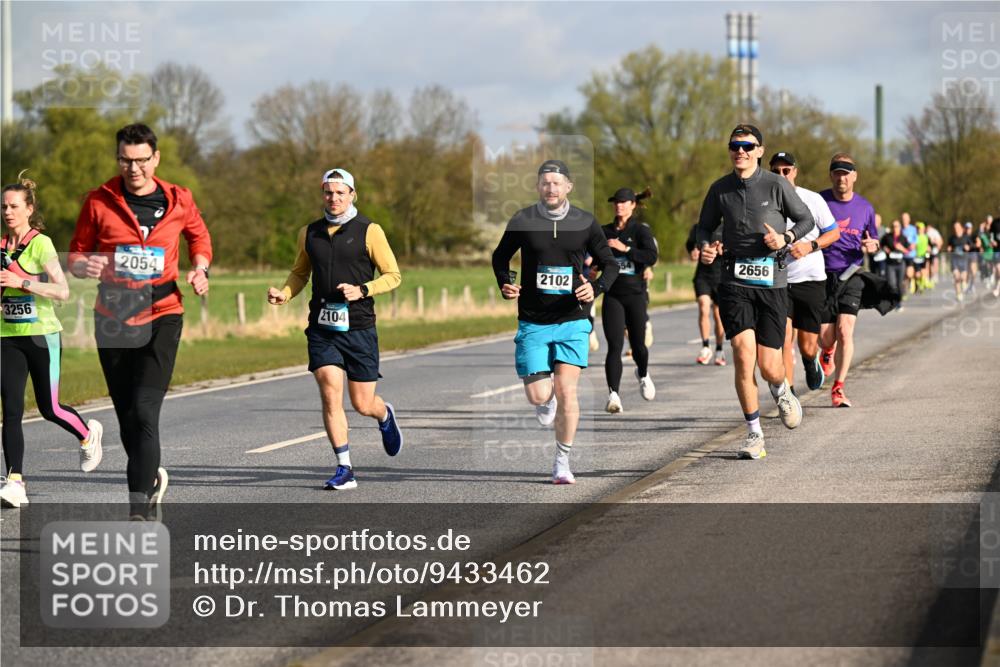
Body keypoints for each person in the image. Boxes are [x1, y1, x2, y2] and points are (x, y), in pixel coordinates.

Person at [69, 123, 213, 520]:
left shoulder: (179, 199)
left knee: (146, 409)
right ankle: (148, 476)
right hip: (113, 317)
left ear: (156, 158)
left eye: (141, 160)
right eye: (125, 160)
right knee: (127, 416)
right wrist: (85, 264)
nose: (133, 169)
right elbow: (76, 255)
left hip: (163, 313)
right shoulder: (99, 201)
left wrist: (201, 269)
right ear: (118, 159)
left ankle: (138, 512)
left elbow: (199, 239)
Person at [267, 168, 402, 491]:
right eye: (329, 192)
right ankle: (345, 467)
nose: (334, 198)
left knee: (362, 403)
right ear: (322, 194)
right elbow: (300, 273)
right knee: (329, 389)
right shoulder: (309, 233)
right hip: (322, 326)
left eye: (341, 192)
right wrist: (285, 294)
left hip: (359, 327)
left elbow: (393, 275)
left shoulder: (370, 230)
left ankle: (384, 415)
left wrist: (363, 290)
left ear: (352, 194)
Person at [492, 159, 619, 483]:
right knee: (539, 395)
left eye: (557, 182)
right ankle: (543, 400)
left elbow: (609, 264)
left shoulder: (584, 222)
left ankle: (562, 461)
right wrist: (506, 281)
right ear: (538, 187)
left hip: (572, 319)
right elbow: (500, 255)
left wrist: (596, 287)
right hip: (533, 319)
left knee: (567, 391)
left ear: (568, 187)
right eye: (545, 182)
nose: (551, 187)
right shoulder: (523, 219)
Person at [696, 125, 813, 460]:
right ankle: (754, 434)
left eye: (748, 146)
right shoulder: (720, 189)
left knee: (768, 366)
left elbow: (804, 220)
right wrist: (706, 246)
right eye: (735, 145)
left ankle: (781, 389)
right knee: (742, 354)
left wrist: (786, 239)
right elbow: (704, 227)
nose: (741, 151)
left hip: (772, 282)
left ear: (760, 150)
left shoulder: (776, 185)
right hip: (734, 280)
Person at [1, 175, 104, 508]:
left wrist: (23, 281)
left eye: (14, 206)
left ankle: (88, 435)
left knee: (50, 408)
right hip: (7, 336)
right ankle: (15, 481)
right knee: (11, 410)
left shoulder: (41, 244)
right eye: (3, 206)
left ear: (29, 208)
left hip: (42, 335)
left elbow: (62, 291)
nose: (8, 211)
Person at [768, 152, 840, 395]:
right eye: (776, 171)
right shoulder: (765, 202)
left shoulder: (812, 199)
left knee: (807, 346)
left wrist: (810, 246)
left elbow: (834, 233)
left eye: (786, 170)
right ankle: (788, 395)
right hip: (778, 281)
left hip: (810, 279)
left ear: (795, 172)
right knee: (783, 341)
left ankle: (811, 362)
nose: (781, 175)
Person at [817, 153, 881, 408]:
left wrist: (872, 245)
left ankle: (839, 388)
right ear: (831, 175)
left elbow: (874, 240)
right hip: (822, 274)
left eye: (846, 172)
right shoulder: (819, 201)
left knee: (845, 330)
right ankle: (828, 351)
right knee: (825, 338)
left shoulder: (865, 207)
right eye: (837, 172)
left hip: (852, 274)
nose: (841, 177)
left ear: (854, 176)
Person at [600, 187, 658, 413]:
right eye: (616, 202)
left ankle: (643, 374)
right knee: (614, 345)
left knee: (638, 346)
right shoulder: (604, 231)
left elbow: (651, 256)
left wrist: (625, 249)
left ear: (633, 205)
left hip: (635, 295)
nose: (619, 205)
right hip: (612, 295)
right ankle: (613, 394)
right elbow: (593, 256)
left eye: (624, 202)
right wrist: (593, 266)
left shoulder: (641, 230)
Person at [685, 222, 726, 366]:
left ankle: (720, 350)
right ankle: (706, 347)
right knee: (703, 307)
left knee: (718, 314)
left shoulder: (728, 225)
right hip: (703, 276)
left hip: (721, 276)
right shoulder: (699, 227)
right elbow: (690, 245)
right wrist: (693, 252)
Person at [879, 219, 909, 301]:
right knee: (892, 284)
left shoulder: (903, 238)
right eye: (893, 226)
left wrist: (902, 248)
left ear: (900, 227)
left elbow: (908, 251)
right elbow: (881, 245)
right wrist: (885, 248)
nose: (895, 228)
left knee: (899, 284)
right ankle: (895, 300)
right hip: (890, 264)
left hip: (900, 263)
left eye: (896, 226)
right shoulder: (887, 236)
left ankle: (899, 301)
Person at [946, 221, 971, 302]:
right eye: (954, 228)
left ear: (961, 228)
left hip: (964, 259)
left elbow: (972, 245)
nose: (956, 229)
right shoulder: (951, 238)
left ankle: (964, 283)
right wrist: (949, 249)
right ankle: (958, 293)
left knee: (963, 277)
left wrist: (968, 247)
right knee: (956, 277)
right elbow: (948, 247)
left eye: (957, 227)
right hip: (955, 260)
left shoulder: (966, 237)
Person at [900, 212, 918, 295]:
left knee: (909, 273)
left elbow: (916, 240)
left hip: (911, 255)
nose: (904, 220)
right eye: (903, 219)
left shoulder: (913, 229)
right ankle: (905, 288)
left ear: (909, 219)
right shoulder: (900, 229)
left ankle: (912, 280)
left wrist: (913, 245)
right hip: (902, 255)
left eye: (906, 218)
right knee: (903, 274)